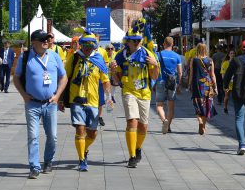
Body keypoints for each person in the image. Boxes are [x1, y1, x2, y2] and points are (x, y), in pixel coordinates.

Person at [14, 30, 67, 179]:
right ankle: (34, 166)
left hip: (50, 103)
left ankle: (48, 161)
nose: (46, 41)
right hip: (32, 104)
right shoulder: (25, 57)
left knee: (52, 136)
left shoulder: (55, 56)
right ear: (34, 42)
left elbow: (64, 77)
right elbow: (16, 78)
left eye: (47, 39)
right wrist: (24, 95)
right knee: (33, 136)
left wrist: (57, 96)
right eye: (43, 39)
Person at [61, 33, 111, 171]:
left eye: (91, 45)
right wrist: (60, 98)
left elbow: (105, 80)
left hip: (93, 100)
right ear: (81, 45)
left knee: (93, 133)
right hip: (76, 99)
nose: (88, 48)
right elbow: (65, 78)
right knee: (80, 129)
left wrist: (108, 97)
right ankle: (82, 160)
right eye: (86, 45)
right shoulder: (74, 58)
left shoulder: (98, 59)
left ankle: (85, 149)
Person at [113, 27, 159, 168]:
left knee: (143, 126)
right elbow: (116, 80)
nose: (138, 43)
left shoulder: (147, 54)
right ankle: (132, 155)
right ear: (128, 42)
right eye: (134, 41)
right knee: (132, 121)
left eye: (139, 40)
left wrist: (155, 64)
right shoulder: (120, 56)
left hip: (144, 92)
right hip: (129, 91)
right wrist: (113, 70)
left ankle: (138, 148)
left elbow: (155, 77)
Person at [188, 43, 217, 135]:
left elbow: (191, 73)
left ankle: (199, 120)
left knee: (197, 104)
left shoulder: (194, 60)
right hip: (207, 85)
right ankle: (203, 126)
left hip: (197, 84)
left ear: (197, 49)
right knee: (206, 105)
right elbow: (212, 75)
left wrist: (189, 84)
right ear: (206, 49)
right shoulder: (210, 60)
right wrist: (215, 86)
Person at [156, 37, 182, 134]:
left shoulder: (159, 54)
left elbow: (156, 69)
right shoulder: (177, 56)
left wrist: (154, 82)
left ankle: (164, 121)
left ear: (164, 44)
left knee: (159, 105)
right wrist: (179, 85)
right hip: (172, 82)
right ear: (172, 44)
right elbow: (180, 72)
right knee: (171, 107)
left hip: (161, 81)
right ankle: (169, 126)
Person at [220, 49, 236, 114]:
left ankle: (236, 109)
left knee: (236, 97)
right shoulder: (225, 63)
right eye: (231, 53)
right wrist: (225, 81)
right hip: (228, 83)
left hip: (235, 82)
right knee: (227, 96)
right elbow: (223, 75)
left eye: (234, 53)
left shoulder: (237, 63)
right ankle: (225, 107)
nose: (232, 55)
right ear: (229, 55)